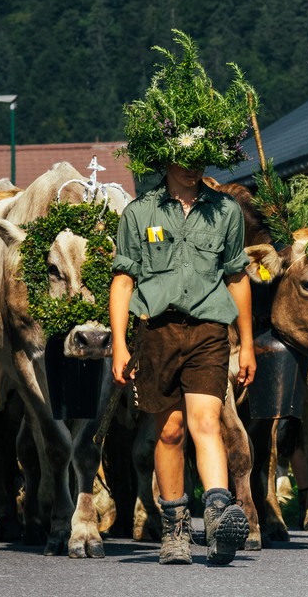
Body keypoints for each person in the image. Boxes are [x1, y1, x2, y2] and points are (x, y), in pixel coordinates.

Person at [110, 30, 258, 566]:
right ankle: (175, 526)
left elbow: (238, 277)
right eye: (184, 157)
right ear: (166, 156)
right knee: (169, 431)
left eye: (201, 157)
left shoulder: (225, 213)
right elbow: (123, 280)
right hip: (157, 331)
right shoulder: (139, 214)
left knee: (206, 422)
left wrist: (247, 344)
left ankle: (219, 513)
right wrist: (121, 344)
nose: (194, 166)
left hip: (208, 331)